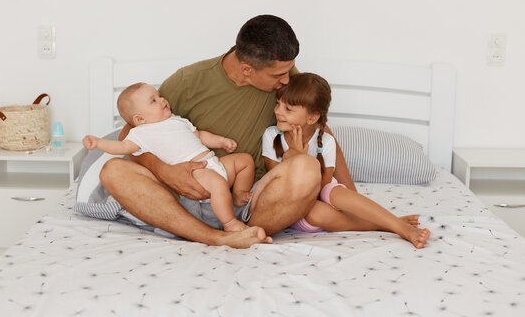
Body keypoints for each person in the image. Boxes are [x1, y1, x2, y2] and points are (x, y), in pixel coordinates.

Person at [99, 14, 346, 248]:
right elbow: (130, 135)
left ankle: (240, 229)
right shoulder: (187, 82)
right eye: (279, 75)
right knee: (113, 170)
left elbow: (319, 128)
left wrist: (347, 195)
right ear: (248, 69)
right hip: (184, 194)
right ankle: (215, 238)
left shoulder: (285, 77)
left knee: (307, 169)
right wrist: (163, 170)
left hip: (251, 201)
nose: (286, 80)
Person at [261, 72, 431, 248]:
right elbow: (276, 184)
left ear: (312, 117)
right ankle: (388, 224)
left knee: (336, 192)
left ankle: (400, 227)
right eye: (278, 104)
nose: (277, 111)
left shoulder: (325, 140)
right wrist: (295, 155)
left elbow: (322, 187)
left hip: (325, 196)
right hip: (298, 206)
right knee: (315, 213)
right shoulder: (272, 135)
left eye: (288, 109)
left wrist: (302, 158)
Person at [83, 82, 254, 232]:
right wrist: (98, 143)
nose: (162, 100)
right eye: (153, 100)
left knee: (245, 161)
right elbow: (121, 146)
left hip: (213, 163)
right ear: (140, 119)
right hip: (195, 173)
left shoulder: (178, 120)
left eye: (159, 96)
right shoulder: (141, 134)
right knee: (218, 184)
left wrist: (221, 141)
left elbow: (199, 135)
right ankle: (230, 223)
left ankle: (238, 194)